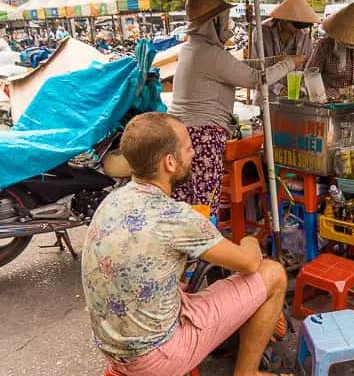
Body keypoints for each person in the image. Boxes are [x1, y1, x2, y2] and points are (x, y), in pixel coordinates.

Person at [83, 112, 288, 376]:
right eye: (189, 148)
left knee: (182, 285)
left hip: (114, 349)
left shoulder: (112, 201)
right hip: (157, 357)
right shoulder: (175, 216)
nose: (193, 155)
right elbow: (249, 263)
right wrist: (250, 240)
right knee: (274, 274)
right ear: (170, 162)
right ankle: (247, 373)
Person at [170, 0, 303, 217]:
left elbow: (237, 66)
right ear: (214, 22)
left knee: (186, 202)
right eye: (225, 18)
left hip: (181, 133)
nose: (228, 24)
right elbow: (256, 79)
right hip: (203, 137)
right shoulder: (210, 54)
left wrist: (274, 61)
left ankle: (188, 248)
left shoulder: (193, 48)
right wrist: (290, 63)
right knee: (204, 203)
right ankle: (205, 249)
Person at [251, 0, 320, 100]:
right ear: (284, 20)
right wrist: (279, 89)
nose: (298, 30)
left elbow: (308, 66)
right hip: (267, 97)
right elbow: (257, 66)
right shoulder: (261, 32)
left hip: (297, 97)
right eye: (296, 26)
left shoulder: (304, 33)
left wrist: (302, 88)